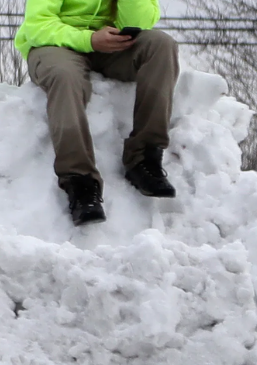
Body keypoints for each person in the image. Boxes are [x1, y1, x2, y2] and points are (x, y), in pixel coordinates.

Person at [15, 0, 179, 225]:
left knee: (161, 45)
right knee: (66, 77)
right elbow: (37, 25)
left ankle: (144, 159)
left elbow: (139, 23)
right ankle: (80, 182)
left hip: (110, 46)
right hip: (55, 45)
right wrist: (89, 40)